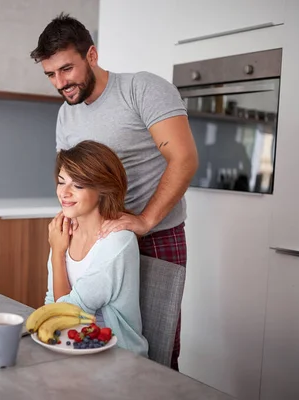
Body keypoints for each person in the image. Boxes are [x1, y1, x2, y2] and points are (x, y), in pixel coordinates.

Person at [31, 13, 198, 370]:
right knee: (88, 330)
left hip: (154, 233)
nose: (60, 82)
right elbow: (70, 176)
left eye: (66, 69)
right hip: (94, 234)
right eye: (51, 74)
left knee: (159, 348)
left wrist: (144, 220)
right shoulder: (67, 114)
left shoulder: (142, 89)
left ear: (91, 55)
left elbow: (183, 158)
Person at [44, 140, 148, 358]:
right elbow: (52, 301)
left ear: (103, 189)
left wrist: (58, 253)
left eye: (78, 185)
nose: (64, 193)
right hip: (74, 349)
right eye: (61, 182)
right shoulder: (63, 232)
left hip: (118, 359)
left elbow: (68, 314)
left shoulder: (117, 242)